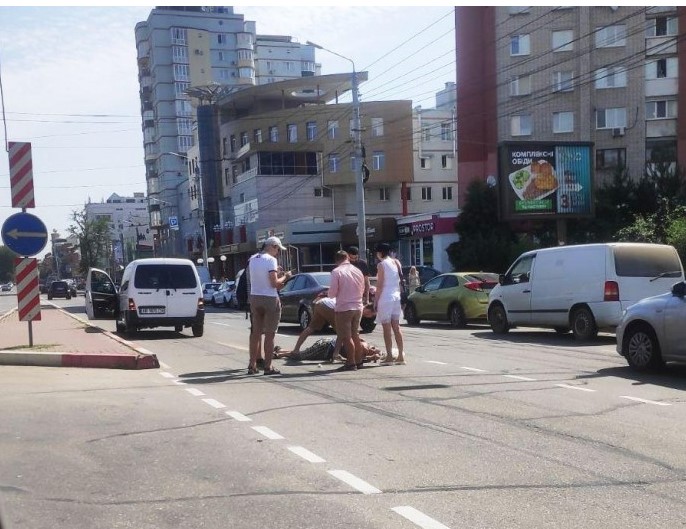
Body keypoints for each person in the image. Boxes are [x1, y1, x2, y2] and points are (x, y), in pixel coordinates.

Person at [247, 236, 292, 375]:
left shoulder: (252, 259)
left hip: (255, 297)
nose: (277, 252)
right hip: (270, 298)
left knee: (256, 333)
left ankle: (252, 365)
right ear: (272, 246)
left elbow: (257, 278)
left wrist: (275, 272)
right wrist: (286, 276)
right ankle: (268, 366)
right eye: (277, 248)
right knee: (270, 334)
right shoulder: (271, 260)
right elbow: (274, 284)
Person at [328, 250, 365, 371]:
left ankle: (351, 362)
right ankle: (359, 361)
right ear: (347, 258)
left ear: (336, 260)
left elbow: (332, 293)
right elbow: (363, 288)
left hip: (344, 307)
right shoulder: (357, 270)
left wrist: (328, 294)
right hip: (358, 306)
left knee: (346, 336)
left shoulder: (336, 272)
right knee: (356, 335)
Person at [374, 242, 406, 366]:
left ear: (380, 252)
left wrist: (376, 301)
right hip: (396, 296)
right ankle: (400, 356)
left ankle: (389, 356)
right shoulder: (396, 262)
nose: (376, 254)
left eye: (377, 252)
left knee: (386, 328)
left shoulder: (382, 265)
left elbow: (380, 284)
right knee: (396, 327)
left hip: (385, 297)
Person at [274, 337, 381, 364]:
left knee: (306, 353)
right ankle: (279, 354)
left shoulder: (363, 347)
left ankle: (281, 350)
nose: (371, 352)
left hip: (327, 350)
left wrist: (370, 358)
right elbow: (358, 359)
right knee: (302, 356)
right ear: (372, 348)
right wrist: (371, 358)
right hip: (327, 346)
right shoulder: (363, 348)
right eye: (373, 350)